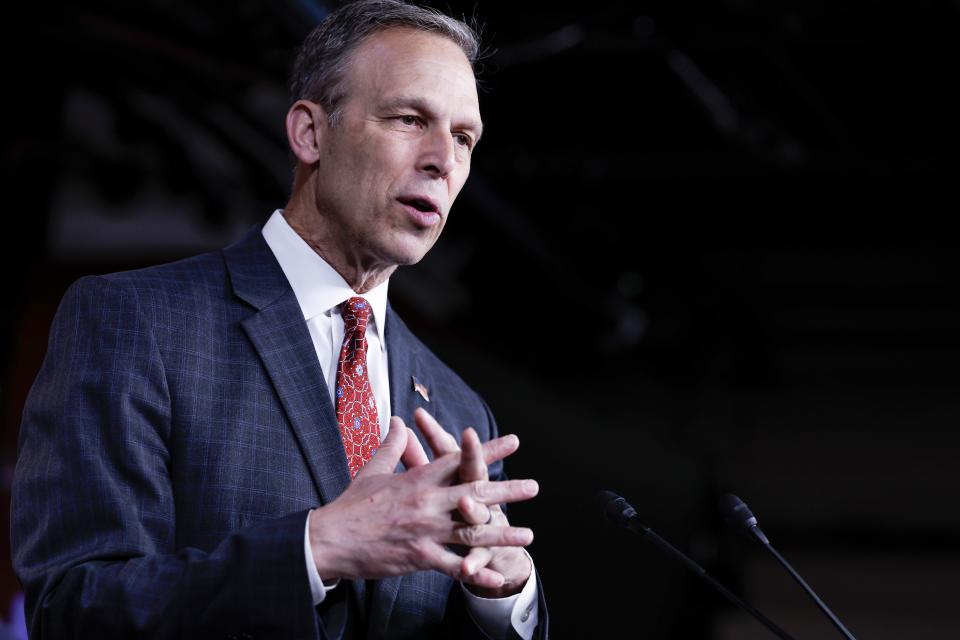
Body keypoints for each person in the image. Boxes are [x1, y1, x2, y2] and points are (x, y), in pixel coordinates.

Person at [10, 1, 548, 638]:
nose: (444, 159)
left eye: (463, 137)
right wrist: (315, 550)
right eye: (409, 118)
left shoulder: (460, 410)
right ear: (310, 135)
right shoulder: (137, 321)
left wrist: (505, 599)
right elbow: (73, 608)